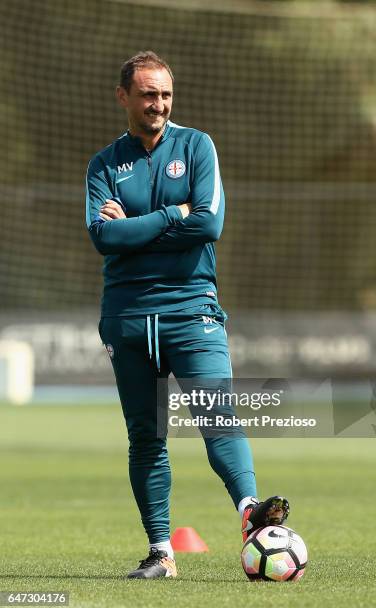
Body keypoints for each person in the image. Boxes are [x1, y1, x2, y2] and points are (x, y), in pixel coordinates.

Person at [85, 51, 289, 579]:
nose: (159, 104)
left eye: (166, 94)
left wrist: (140, 225)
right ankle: (161, 553)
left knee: (218, 419)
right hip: (128, 318)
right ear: (124, 96)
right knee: (146, 436)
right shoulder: (103, 164)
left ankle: (252, 517)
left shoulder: (197, 146)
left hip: (190, 309)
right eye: (148, 94)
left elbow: (209, 224)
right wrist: (172, 214)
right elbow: (104, 237)